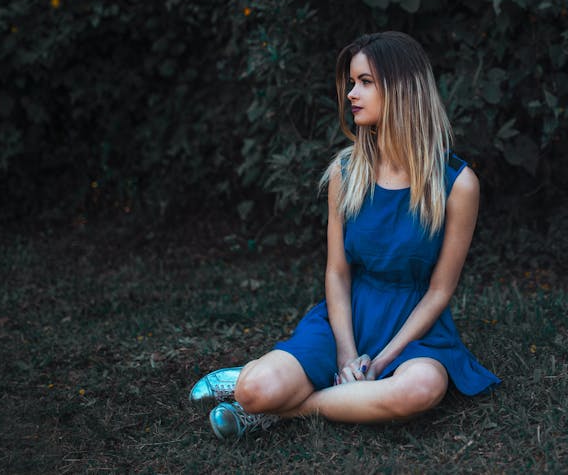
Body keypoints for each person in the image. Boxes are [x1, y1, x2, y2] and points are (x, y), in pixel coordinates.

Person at [189, 31, 500, 439]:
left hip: (416, 328)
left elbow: (440, 291)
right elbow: (337, 272)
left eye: (365, 82)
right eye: (352, 82)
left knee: (420, 389)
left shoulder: (458, 184)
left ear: (403, 88)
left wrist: (381, 361)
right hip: (347, 318)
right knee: (255, 388)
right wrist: (347, 353)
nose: (352, 93)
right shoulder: (346, 173)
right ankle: (257, 390)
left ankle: (279, 413)